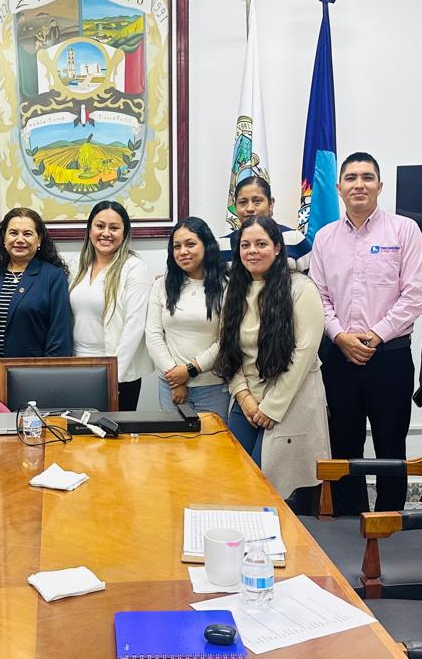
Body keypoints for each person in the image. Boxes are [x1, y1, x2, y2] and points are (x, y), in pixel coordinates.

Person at [309, 152, 422, 516]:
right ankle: (350, 518)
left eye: (366, 177)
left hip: (389, 356)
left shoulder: (404, 230)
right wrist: (339, 336)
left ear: (379, 185)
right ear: (339, 187)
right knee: (344, 445)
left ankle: (390, 520)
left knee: (391, 444)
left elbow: (415, 294)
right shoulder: (325, 238)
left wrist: (376, 334)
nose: (358, 184)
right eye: (351, 178)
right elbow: (318, 296)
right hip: (339, 356)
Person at [213, 216, 327, 512]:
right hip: (247, 399)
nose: (252, 251)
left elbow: (304, 353)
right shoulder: (233, 290)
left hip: (288, 399)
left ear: (277, 248)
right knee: (235, 479)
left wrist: (271, 407)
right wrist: (244, 396)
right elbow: (228, 350)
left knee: (269, 488)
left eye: (261, 244)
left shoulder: (300, 288)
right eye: (245, 245)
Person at [68, 201, 153, 410]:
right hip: (78, 367)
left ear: (124, 233)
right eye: (100, 226)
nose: (106, 233)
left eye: (114, 228)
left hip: (118, 373)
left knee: (115, 431)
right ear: (90, 230)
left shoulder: (134, 268)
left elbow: (134, 326)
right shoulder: (77, 264)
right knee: (79, 429)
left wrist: (113, 374)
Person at [0, 207, 73, 394]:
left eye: (27, 234)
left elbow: (60, 333)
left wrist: (50, 377)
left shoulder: (53, 276)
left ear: (39, 240)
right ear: (4, 238)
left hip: (33, 377)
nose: (19, 239)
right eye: (13, 233)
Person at [145, 217, 229, 421]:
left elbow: (226, 340)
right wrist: (176, 378)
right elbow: (153, 335)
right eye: (177, 246)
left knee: (214, 441)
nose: (183, 251)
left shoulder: (226, 285)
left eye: (190, 244)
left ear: (206, 245)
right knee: (175, 441)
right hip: (170, 386)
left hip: (212, 387)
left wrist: (189, 371)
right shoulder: (162, 285)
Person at [219, 175, 312, 272]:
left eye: (257, 201)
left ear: (271, 204)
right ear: (235, 207)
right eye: (243, 202)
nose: (250, 208)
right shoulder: (222, 246)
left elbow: (309, 278)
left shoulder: (294, 239)